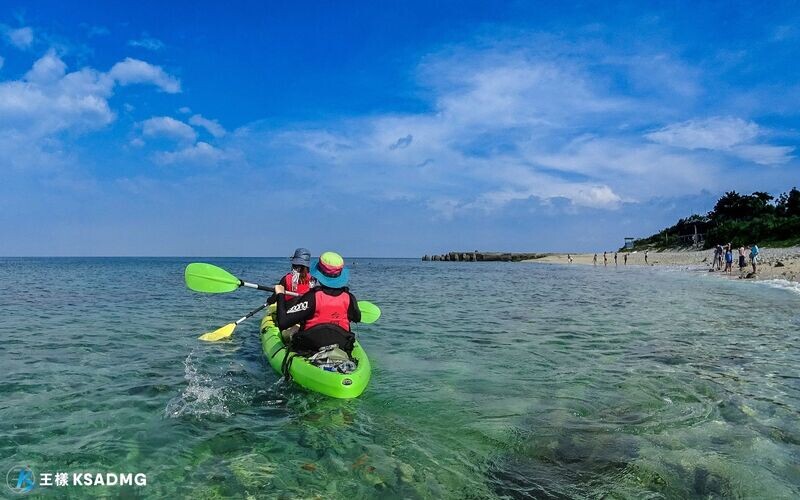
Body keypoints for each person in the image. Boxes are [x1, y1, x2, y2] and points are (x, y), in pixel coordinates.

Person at [274, 251, 361, 355]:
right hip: (341, 344)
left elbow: (283, 322)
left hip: (310, 346)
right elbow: (357, 318)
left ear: (319, 273)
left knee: (291, 331)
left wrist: (280, 294)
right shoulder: (349, 298)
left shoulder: (312, 297)